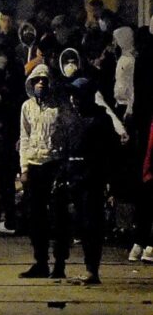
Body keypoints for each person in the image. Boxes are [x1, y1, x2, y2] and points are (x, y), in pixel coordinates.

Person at [50, 79, 119, 284]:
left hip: (91, 178)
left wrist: (110, 183)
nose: (75, 99)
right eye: (73, 95)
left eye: (79, 95)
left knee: (90, 224)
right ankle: (59, 264)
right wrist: (59, 174)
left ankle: (91, 269)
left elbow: (110, 152)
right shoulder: (67, 116)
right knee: (60, 223)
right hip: (68, 174)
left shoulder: (100, 119)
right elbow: (58, 144)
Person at [18, 64, 62, 279]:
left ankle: (60, 262)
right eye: (37, 80)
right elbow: (24, 138)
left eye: (45, 80)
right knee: (35, 217)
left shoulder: (59, 107)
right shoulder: (27, 107)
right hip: (35, 166)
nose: (41, 84)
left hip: (53, 165)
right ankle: (41, 262)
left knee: (58, 215)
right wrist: (24, 168)